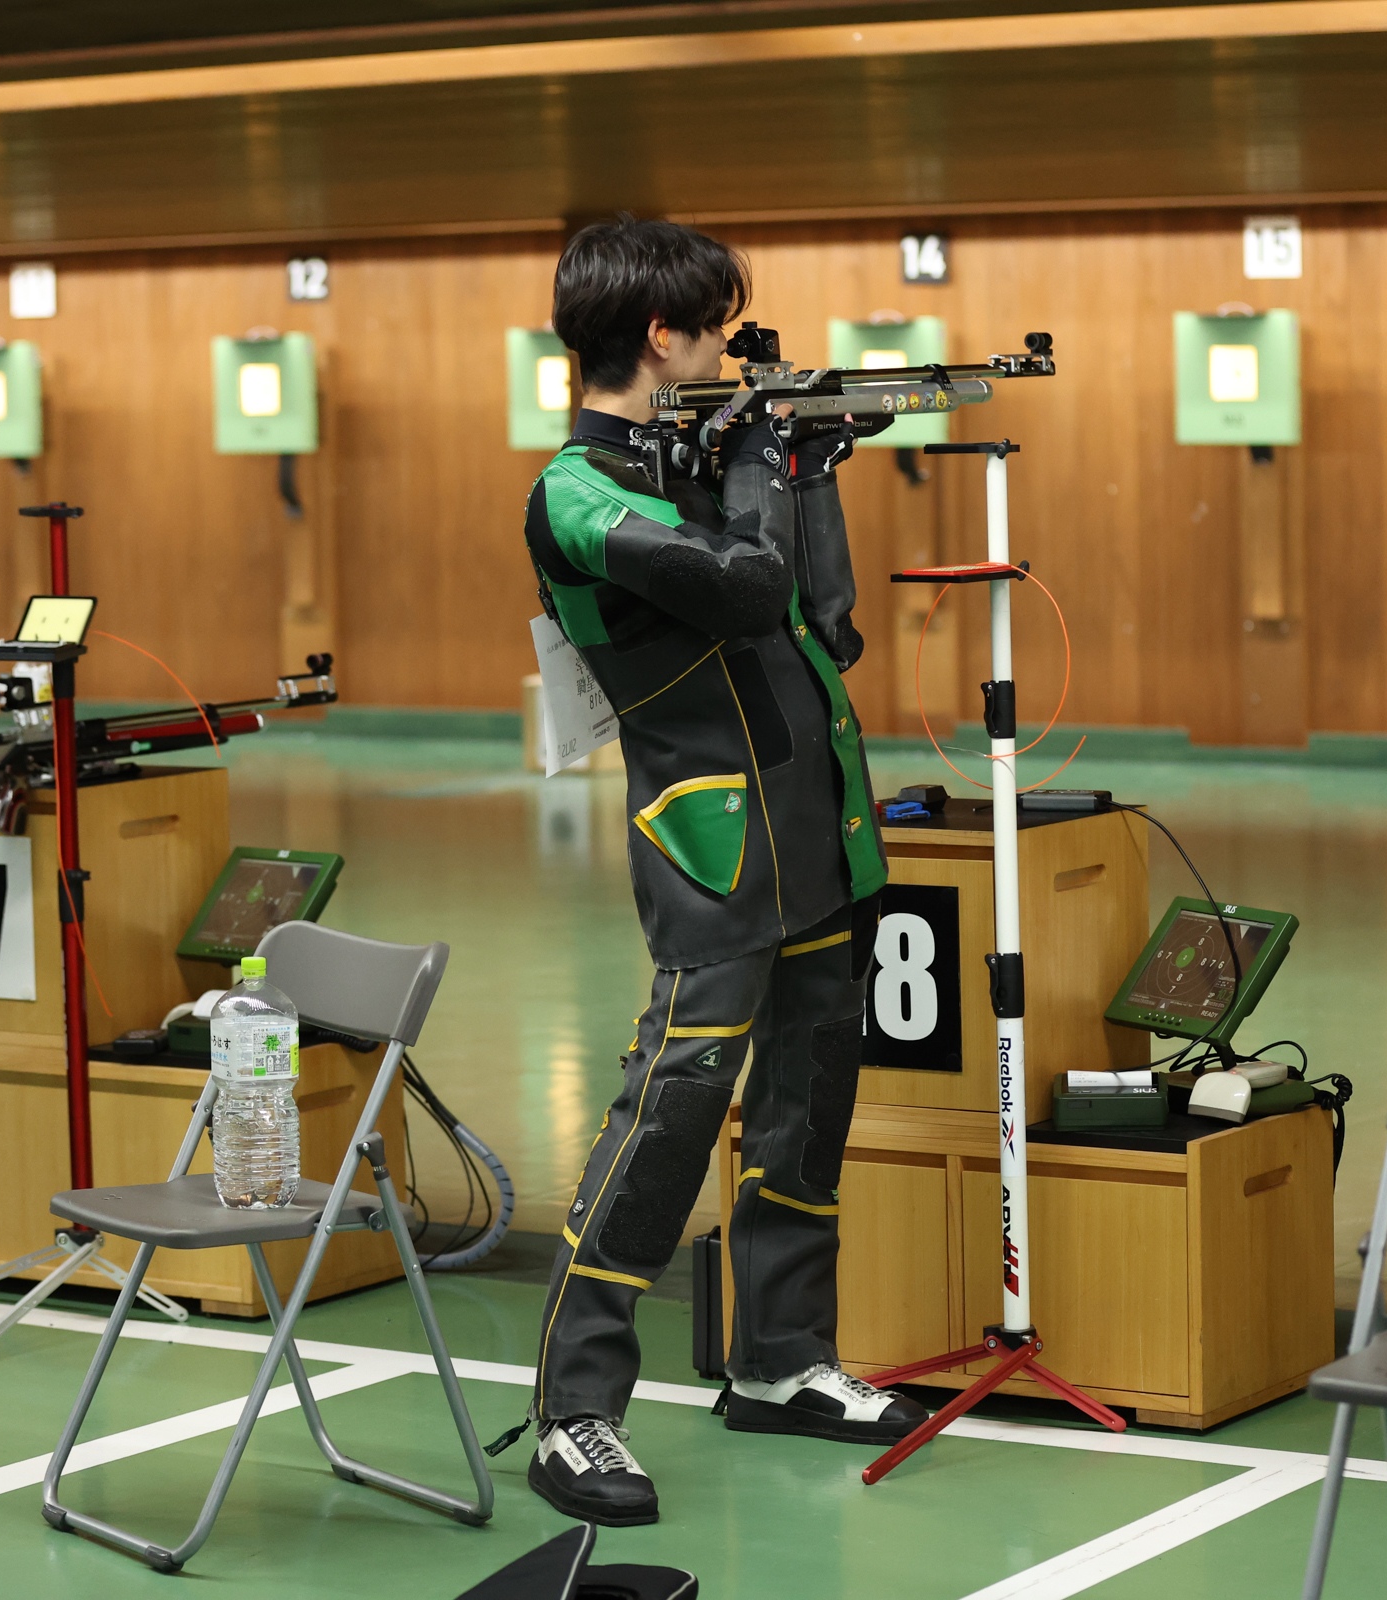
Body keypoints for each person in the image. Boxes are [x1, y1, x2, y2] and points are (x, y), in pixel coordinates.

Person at [511, 216, 926, 1525]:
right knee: (674, 1114)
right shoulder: (579, 493)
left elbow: (827, 624)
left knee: (808, 1100)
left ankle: (782, 1358)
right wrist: (755, 461)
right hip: (714, 849)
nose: (724, 350)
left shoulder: (696, 464)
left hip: (816, 834)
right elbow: (744, 589)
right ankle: (574, 1408)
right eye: (713, 327)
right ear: (660, 334)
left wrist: (801, 468)